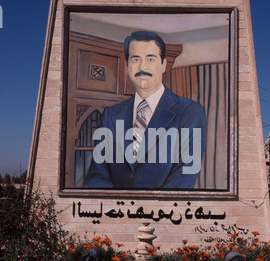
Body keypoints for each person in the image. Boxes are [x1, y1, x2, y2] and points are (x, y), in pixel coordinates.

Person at [84, 30, 206, 189]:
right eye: (136, 59)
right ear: (128, 66)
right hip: (113, 212)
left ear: (163, 65)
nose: (143, 67)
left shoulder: (190, 113)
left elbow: (183, 178)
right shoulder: (111, 116)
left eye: (150, 59)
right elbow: (97, 177)